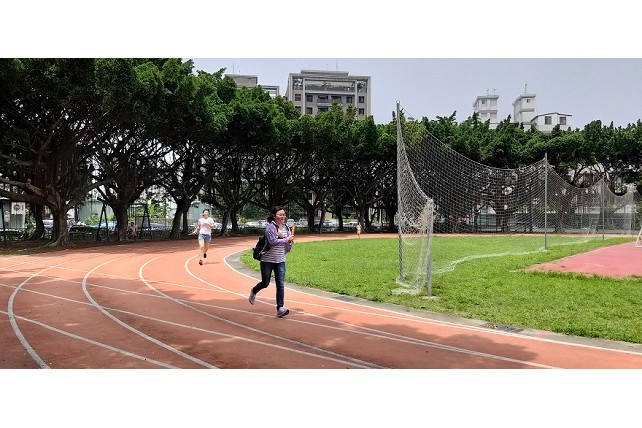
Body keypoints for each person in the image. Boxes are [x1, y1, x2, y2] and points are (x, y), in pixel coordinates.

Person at [248, 206, 295, 318]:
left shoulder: (287, 228)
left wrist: (290, 243)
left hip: (280, 260)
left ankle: (280, 308)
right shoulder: (270, 227)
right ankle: (254, 290)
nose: (282, 216)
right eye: (280, 214)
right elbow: (272, 242)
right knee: (265, 283)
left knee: (280, 284)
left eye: (283, 214)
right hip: (267, 260)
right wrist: (286, 239)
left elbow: (288, 244)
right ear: (274, 216)